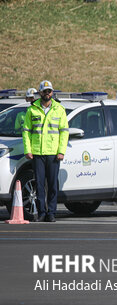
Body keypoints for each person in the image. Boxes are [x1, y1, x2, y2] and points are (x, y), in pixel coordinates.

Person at [22, 81, 69, 222]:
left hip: (54, 154)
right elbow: (26, 132)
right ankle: (42, 212)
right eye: (45, 91)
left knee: (53, 184)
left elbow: (64, 132)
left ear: (52, 93)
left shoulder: (59, 109)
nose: (47, 93)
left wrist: (61, 151)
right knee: (39, 185)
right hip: (38, 153)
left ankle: (52, 213)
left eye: (49, 91)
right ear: (40, 93)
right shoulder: (32, 110)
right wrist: (28, 150)